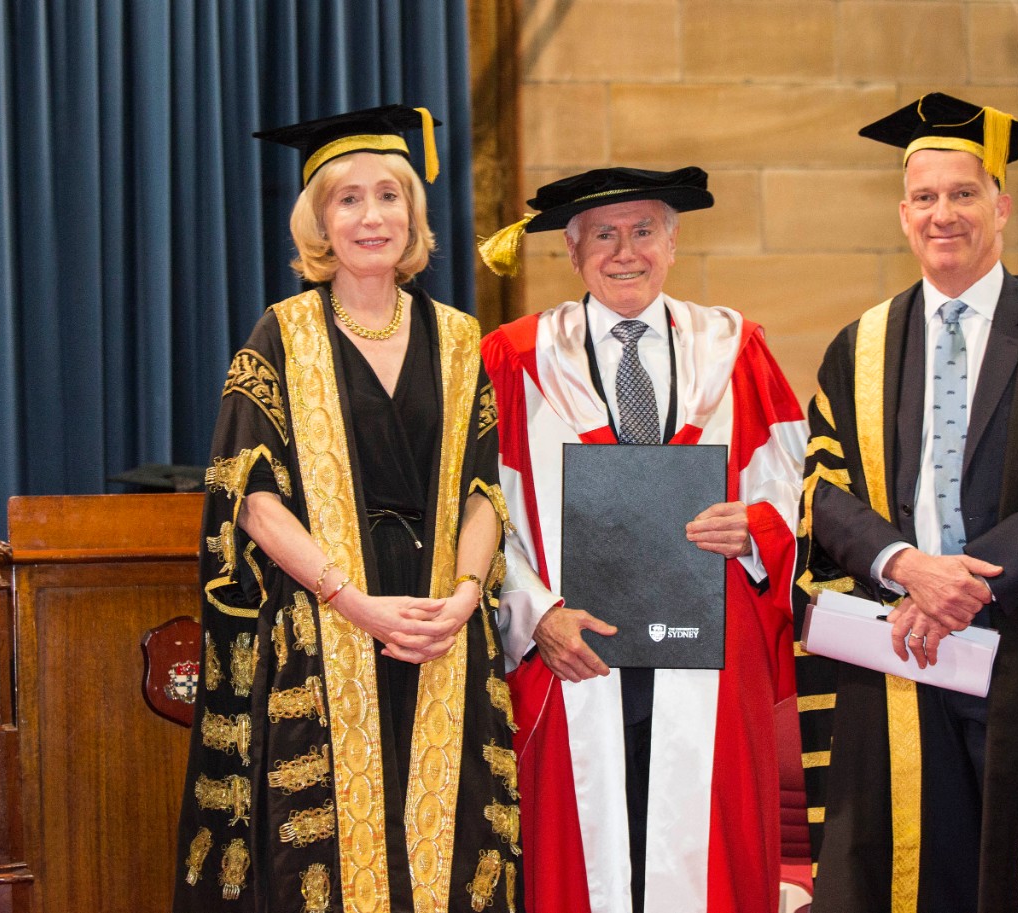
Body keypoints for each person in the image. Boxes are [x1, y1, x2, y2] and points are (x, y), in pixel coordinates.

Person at [793, 93, 1018, 913]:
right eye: (925, 197)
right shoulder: (859, 346)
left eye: (964, 193)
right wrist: (909, 568)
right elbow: (823, 489)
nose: (944, 214)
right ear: (902, 215)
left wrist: (963, 583)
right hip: (896, 646)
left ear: (1001, 205)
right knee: (905, 872)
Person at [172, 105, 522, 913]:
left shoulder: (460, 339)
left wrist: (465, 596)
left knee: (452, 850)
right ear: (319, 222)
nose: (373, 217)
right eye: (349, 199)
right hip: (324, 625)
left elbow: (483, 491)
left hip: (439, 626)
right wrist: (351, 599)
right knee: (319, 857)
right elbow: (252, 499)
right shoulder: (280, 335)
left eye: (390, 196)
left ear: (414, 213)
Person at [478, 166, 806, 913]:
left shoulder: (735, 349)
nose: (625, 252)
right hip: (572, 657)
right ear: (572, 251)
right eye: (604, 234)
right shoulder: (515, 358)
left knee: (705, 852)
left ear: (674, 242)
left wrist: (754, 529)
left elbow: (795, 485)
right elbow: (480, 511)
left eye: (644, 231)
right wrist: (535, 614)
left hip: (708, 654)